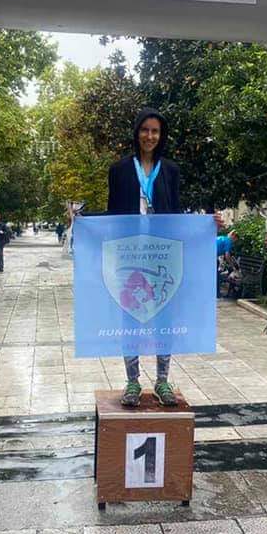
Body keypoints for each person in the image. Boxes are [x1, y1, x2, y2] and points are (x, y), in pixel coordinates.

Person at [107, 108, 181, 407]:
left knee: (164, 316)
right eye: (145, 130)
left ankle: (162, 380)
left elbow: (176, 214)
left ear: (161, 136)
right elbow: (113, 215)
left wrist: (207, 226)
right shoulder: (120, 170)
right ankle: (132, 381)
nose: (150, 136)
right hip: (130, 256)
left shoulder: (171, 170)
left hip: (162, 256)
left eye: (155, 131)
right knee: (131, 318)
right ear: (136, 132)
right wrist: (86, 225)